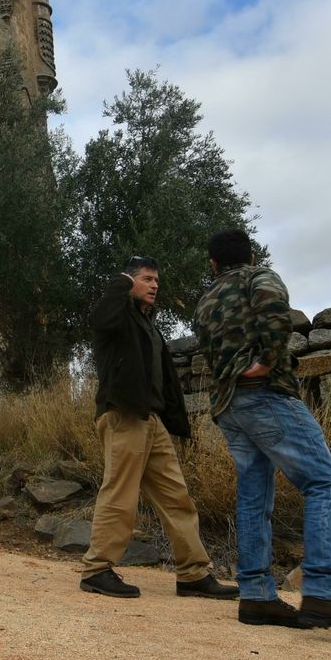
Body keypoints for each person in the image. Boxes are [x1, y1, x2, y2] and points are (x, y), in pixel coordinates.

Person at [193, 229, 331, 637]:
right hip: (264, 396)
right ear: (249, 255)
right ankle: (322, 592)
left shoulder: (206, 299)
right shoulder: (258, 277)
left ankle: (258, 596)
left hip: (229, 405)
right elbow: (277, 315)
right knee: (324, 484)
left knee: (253, 497)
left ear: (213, 263)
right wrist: (267, 362)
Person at [80, 257, 237, 601]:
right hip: (123, 415)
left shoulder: (148, 325)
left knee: (176, 497)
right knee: (120, 494)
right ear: (128, 280)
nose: (154, 285)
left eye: (157, 281)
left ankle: (193, 574)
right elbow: (98, 318)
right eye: (147, 279)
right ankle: (97, 569)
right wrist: (120, 281)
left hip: (151, 420)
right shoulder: (117, 316)